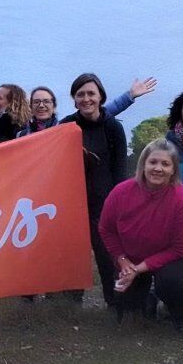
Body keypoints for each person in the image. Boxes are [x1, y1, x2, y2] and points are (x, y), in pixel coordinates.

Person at [99, 139, 183, 331]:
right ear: (143, 165)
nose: (158, 168)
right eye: (153, 162)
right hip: (132, 257)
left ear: (174, 170)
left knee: (170, 282)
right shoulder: (120, 192)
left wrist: (138, 269)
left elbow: (181, 247)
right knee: (127, 308)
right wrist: (123, 261)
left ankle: (180, 315)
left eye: (165, 164)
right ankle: (148, 298)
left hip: (175, 257)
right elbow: (106, 229)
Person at [61, 72, 128, 308]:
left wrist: (119, 205)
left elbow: (120, 169)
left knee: (107, 254)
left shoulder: (113, 127)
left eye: (91, 93)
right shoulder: (66, 126)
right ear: (74, 99)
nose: (86, 99)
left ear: (101, 97)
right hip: (73, 201)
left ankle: (115, 301)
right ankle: (70, 303)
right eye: (80, 94)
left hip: (105, 202)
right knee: (72, 253)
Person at [17, 77, 159, 139]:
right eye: (36, 102)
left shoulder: (64, 127)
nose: (41, 105)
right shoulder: (20, 136)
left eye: (46, 101)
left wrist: (129, 96)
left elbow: (102, 111)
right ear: (30, 107)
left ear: (54, 106)